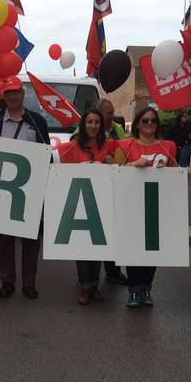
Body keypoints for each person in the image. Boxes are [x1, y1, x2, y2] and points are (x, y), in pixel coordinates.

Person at [0, 76, 50, 299]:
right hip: (3, 189)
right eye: (9, 93)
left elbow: (46, 154)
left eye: (16, 92)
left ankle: (29, 283)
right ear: (4, 97)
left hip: (30, 189)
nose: (13, 97)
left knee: (31, 240)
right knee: (5, 240)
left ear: (23, 95)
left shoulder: (37, 122)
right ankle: (7, 281)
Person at [58, 108, 120, 305]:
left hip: (103, 205)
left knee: (98, 248)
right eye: (89, 122)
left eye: (96, 122)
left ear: (101, 126)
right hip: (79, 204)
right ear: (83, 125)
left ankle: (94, 286)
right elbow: (57, 171)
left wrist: (112, 164)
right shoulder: (71, 148)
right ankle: (85, 286)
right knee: (83, 248)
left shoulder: (110, 146)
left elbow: (124, 166)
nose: (93, 126)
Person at [119, 107, 177, 307]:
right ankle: (134, 290)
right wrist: (133, 164)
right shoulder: (125, 145)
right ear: (137, 124)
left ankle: (146, 289)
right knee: (133, 248)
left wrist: (166, 171)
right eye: (145, 120)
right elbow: (115, 171)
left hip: (157, 206)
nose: (149, 124)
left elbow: (176, 175)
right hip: (132, 206)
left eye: (153, 120)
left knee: (153, 250)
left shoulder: (169, 146)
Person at [90, 98, 129, 285]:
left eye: (113, 112)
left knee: (113, 232)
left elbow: (126, 150)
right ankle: (90, 277)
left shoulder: (117, 129)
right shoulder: (86, 127)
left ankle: (113, 271)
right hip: (93, 190)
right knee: (95, 234)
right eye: (109, 112)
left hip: (114, 188)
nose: (113, 115)